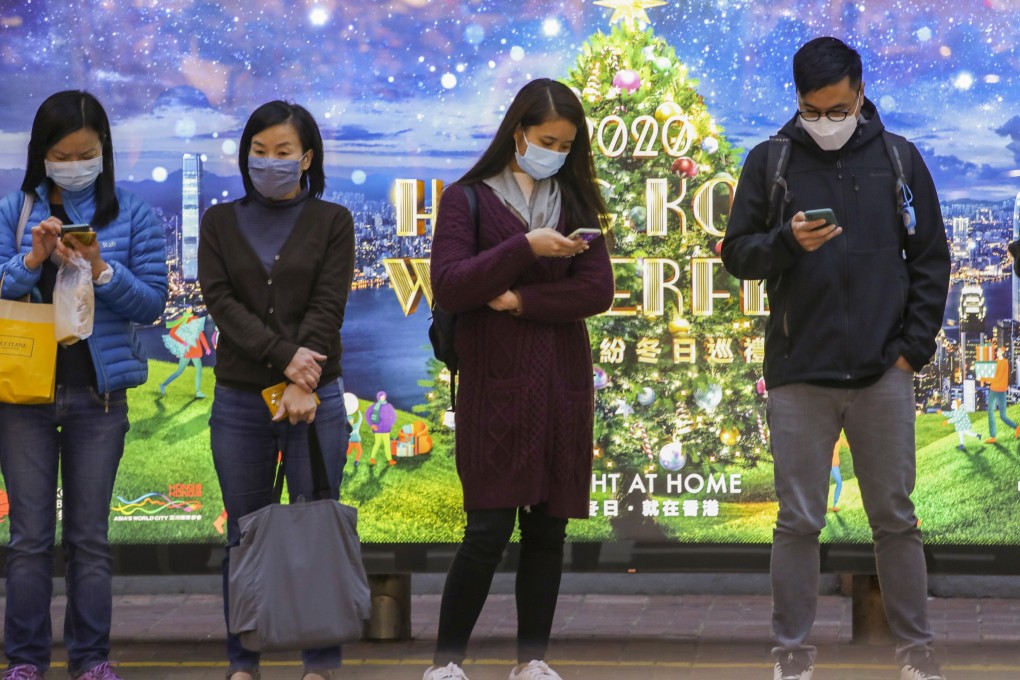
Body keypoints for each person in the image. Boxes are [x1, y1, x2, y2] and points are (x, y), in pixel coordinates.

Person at [721, 37, 951, 680]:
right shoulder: (771, 161)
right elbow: (738, 253)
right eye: (813, 111)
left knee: (896, 520)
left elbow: (930, 259)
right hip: (799, 373)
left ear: (860, 92)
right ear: (796, 101)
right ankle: (791, 654)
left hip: (883, 373)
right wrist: (786, 242)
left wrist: (912, 352)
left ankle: (916, 650)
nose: (827, 121)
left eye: (838, 108)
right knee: (797, 521)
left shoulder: (899, 159)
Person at [425, 78, 615, 680]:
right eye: (546, 139)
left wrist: (519, 303)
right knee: (485, 528)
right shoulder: (468, 200)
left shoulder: (578, 203)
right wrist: (528, 247)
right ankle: (446, 661)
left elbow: (597, 291)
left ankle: (532, 659)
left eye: (566, 143)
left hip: (561, 384)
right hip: (495, 386)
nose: (555, 151)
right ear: (518, 134)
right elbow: (453, 283)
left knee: (546, 531)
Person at [0, 90, 169, 680]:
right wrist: (31, 260)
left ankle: (91, 660)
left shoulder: (135, 214)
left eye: (85, 152)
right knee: (27, 540)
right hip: (23, 398)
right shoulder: (13, 211)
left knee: (90, 539)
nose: (74, 163)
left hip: (99, 398)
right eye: (62, 153)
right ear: (41, 155)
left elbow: (151, 304)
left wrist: (100, 267)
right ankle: (24, 661)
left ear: (105, 151)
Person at [197, 100, 355, 680]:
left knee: (315, 522)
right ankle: (245, 660)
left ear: (306, 157)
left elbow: (329, 302)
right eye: (258, 152)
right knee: (246, 531)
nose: (269, 162)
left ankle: (320, 661)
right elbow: (222, 304)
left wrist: (303, 377)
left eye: (283, 152)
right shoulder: (219, 222)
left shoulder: (333, 220)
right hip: (241, 398)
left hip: (317, 398)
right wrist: (287, 359)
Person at [159, 307, 212, 398]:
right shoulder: (181, 319)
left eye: (190, 307)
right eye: (187, 307)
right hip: (186, 350)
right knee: (179, 371)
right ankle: (163, 385)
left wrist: (207, 347)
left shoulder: (195, 319)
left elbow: (201, 335)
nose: (189, 309)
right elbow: (172, 333)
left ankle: (198, 391)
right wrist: (182, 342)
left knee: (199, 370)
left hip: (195, 349)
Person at [979, 347, 1018, 443]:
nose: (997, 352)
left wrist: (983, 378)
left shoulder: (1004, 362)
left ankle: (1017, 428)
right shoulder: (995, 361)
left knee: (1003, 416)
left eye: (999, 351)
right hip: (993, 390)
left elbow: (998, 377)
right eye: (997, 351)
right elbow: (992, 374)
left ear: (1003, 353)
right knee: (991, 413)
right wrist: (984, 378)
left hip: (1001, 391)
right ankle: (993, 437)